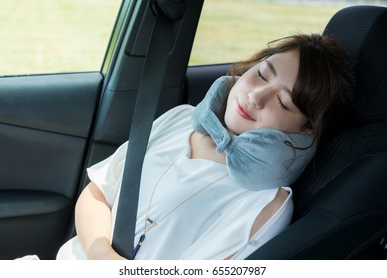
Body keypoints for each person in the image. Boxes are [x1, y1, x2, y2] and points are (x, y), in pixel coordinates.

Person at [56, 33, 354, 260]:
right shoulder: (180, 117)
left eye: (283, 102)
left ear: (306, 128)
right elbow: (97, 192)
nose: (255, 97)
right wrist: (101, 256)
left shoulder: (266, 205)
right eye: (261, 74)